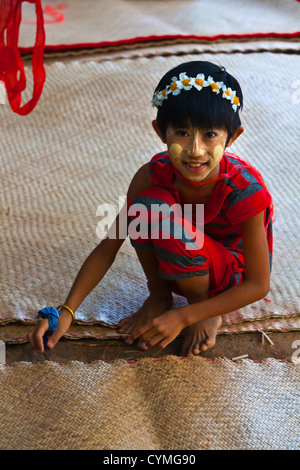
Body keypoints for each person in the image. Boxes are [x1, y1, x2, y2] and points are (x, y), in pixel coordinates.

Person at [27, 60, 273, 356]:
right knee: (146, 207)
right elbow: (109, 246)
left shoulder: (244, 191)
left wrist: (185, 316)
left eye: (210, 135)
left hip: (229, 279)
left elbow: (258, 284)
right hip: (180, 262)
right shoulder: (152, 174)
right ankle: (160, 295)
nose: (195, 150)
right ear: (160, 132)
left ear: (232, 137)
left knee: (164, 220)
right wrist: (66, 310)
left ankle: (204, 309)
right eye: (182, 132)